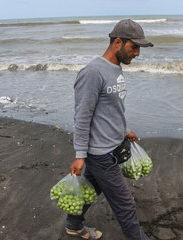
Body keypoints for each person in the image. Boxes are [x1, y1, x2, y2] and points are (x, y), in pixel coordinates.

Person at [66, 19, 153, 240]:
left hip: (114, 146)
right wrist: (80, 155)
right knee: (125, 205)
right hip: (101, 153)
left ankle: (74, 225)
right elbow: (82, 116)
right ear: (117, 42)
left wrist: (124, 130)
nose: (137, 54)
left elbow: (113, 108)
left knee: (92, 188)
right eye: (134, 47)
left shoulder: (115, 68)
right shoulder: (93, 72)